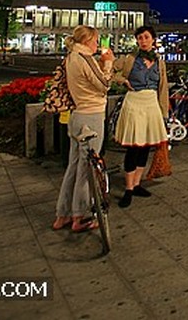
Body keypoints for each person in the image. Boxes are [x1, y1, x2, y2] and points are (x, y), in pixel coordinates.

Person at [52, 25, 114, 232]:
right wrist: (108, 64)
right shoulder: (86, 58)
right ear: (87, 40)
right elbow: (104, 85)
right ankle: (81, 215)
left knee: (74, 164)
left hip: (77, 115)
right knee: (87, 168)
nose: (98, 44)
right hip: (92, 116)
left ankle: (63, 214)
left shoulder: (71, 57)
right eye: (96, 40)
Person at [113, 26, 170, 207]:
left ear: (153, 39)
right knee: (134, 147)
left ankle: (137, 183)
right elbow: (109, 70)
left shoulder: (160, 62)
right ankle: (129, 188)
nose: (143, 41)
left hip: (151, 103)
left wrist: (164, 112)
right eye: (139, 38)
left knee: (145, 146)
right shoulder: (130, 59)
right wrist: (123, 80)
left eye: (146, 37)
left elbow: (163, 88)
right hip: (134, 102)